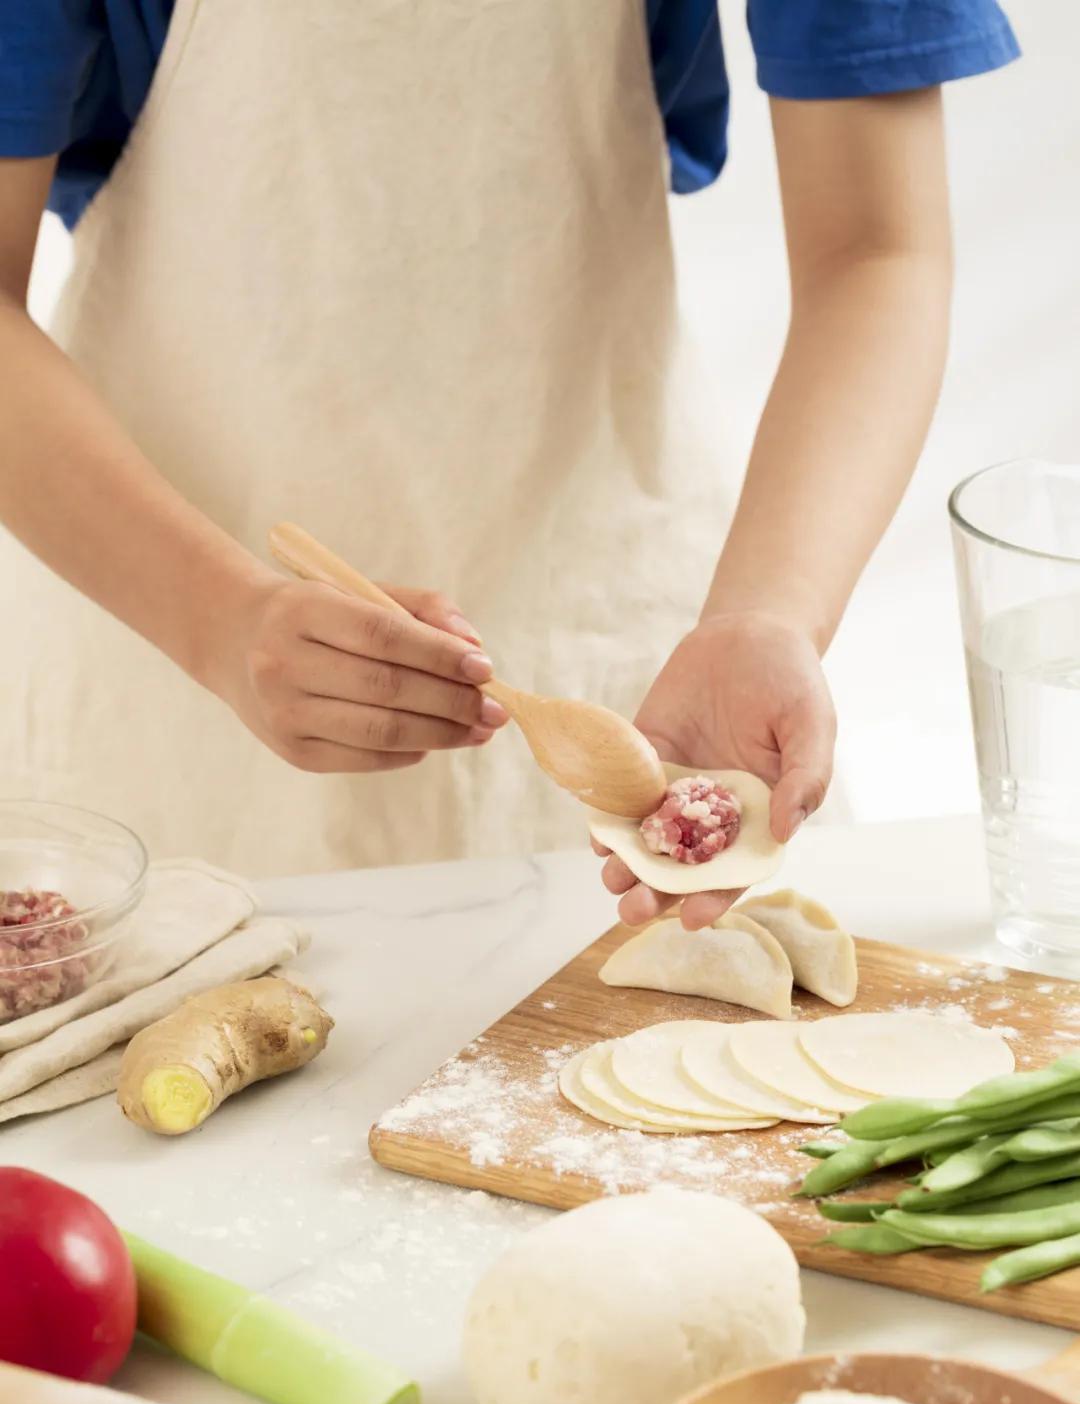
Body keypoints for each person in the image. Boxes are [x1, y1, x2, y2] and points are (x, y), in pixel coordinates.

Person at [0, 3, 1018, 926]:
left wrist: (770, 613)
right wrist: (217, 618)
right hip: (161, 640)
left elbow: (876, 250)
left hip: (630, 636)